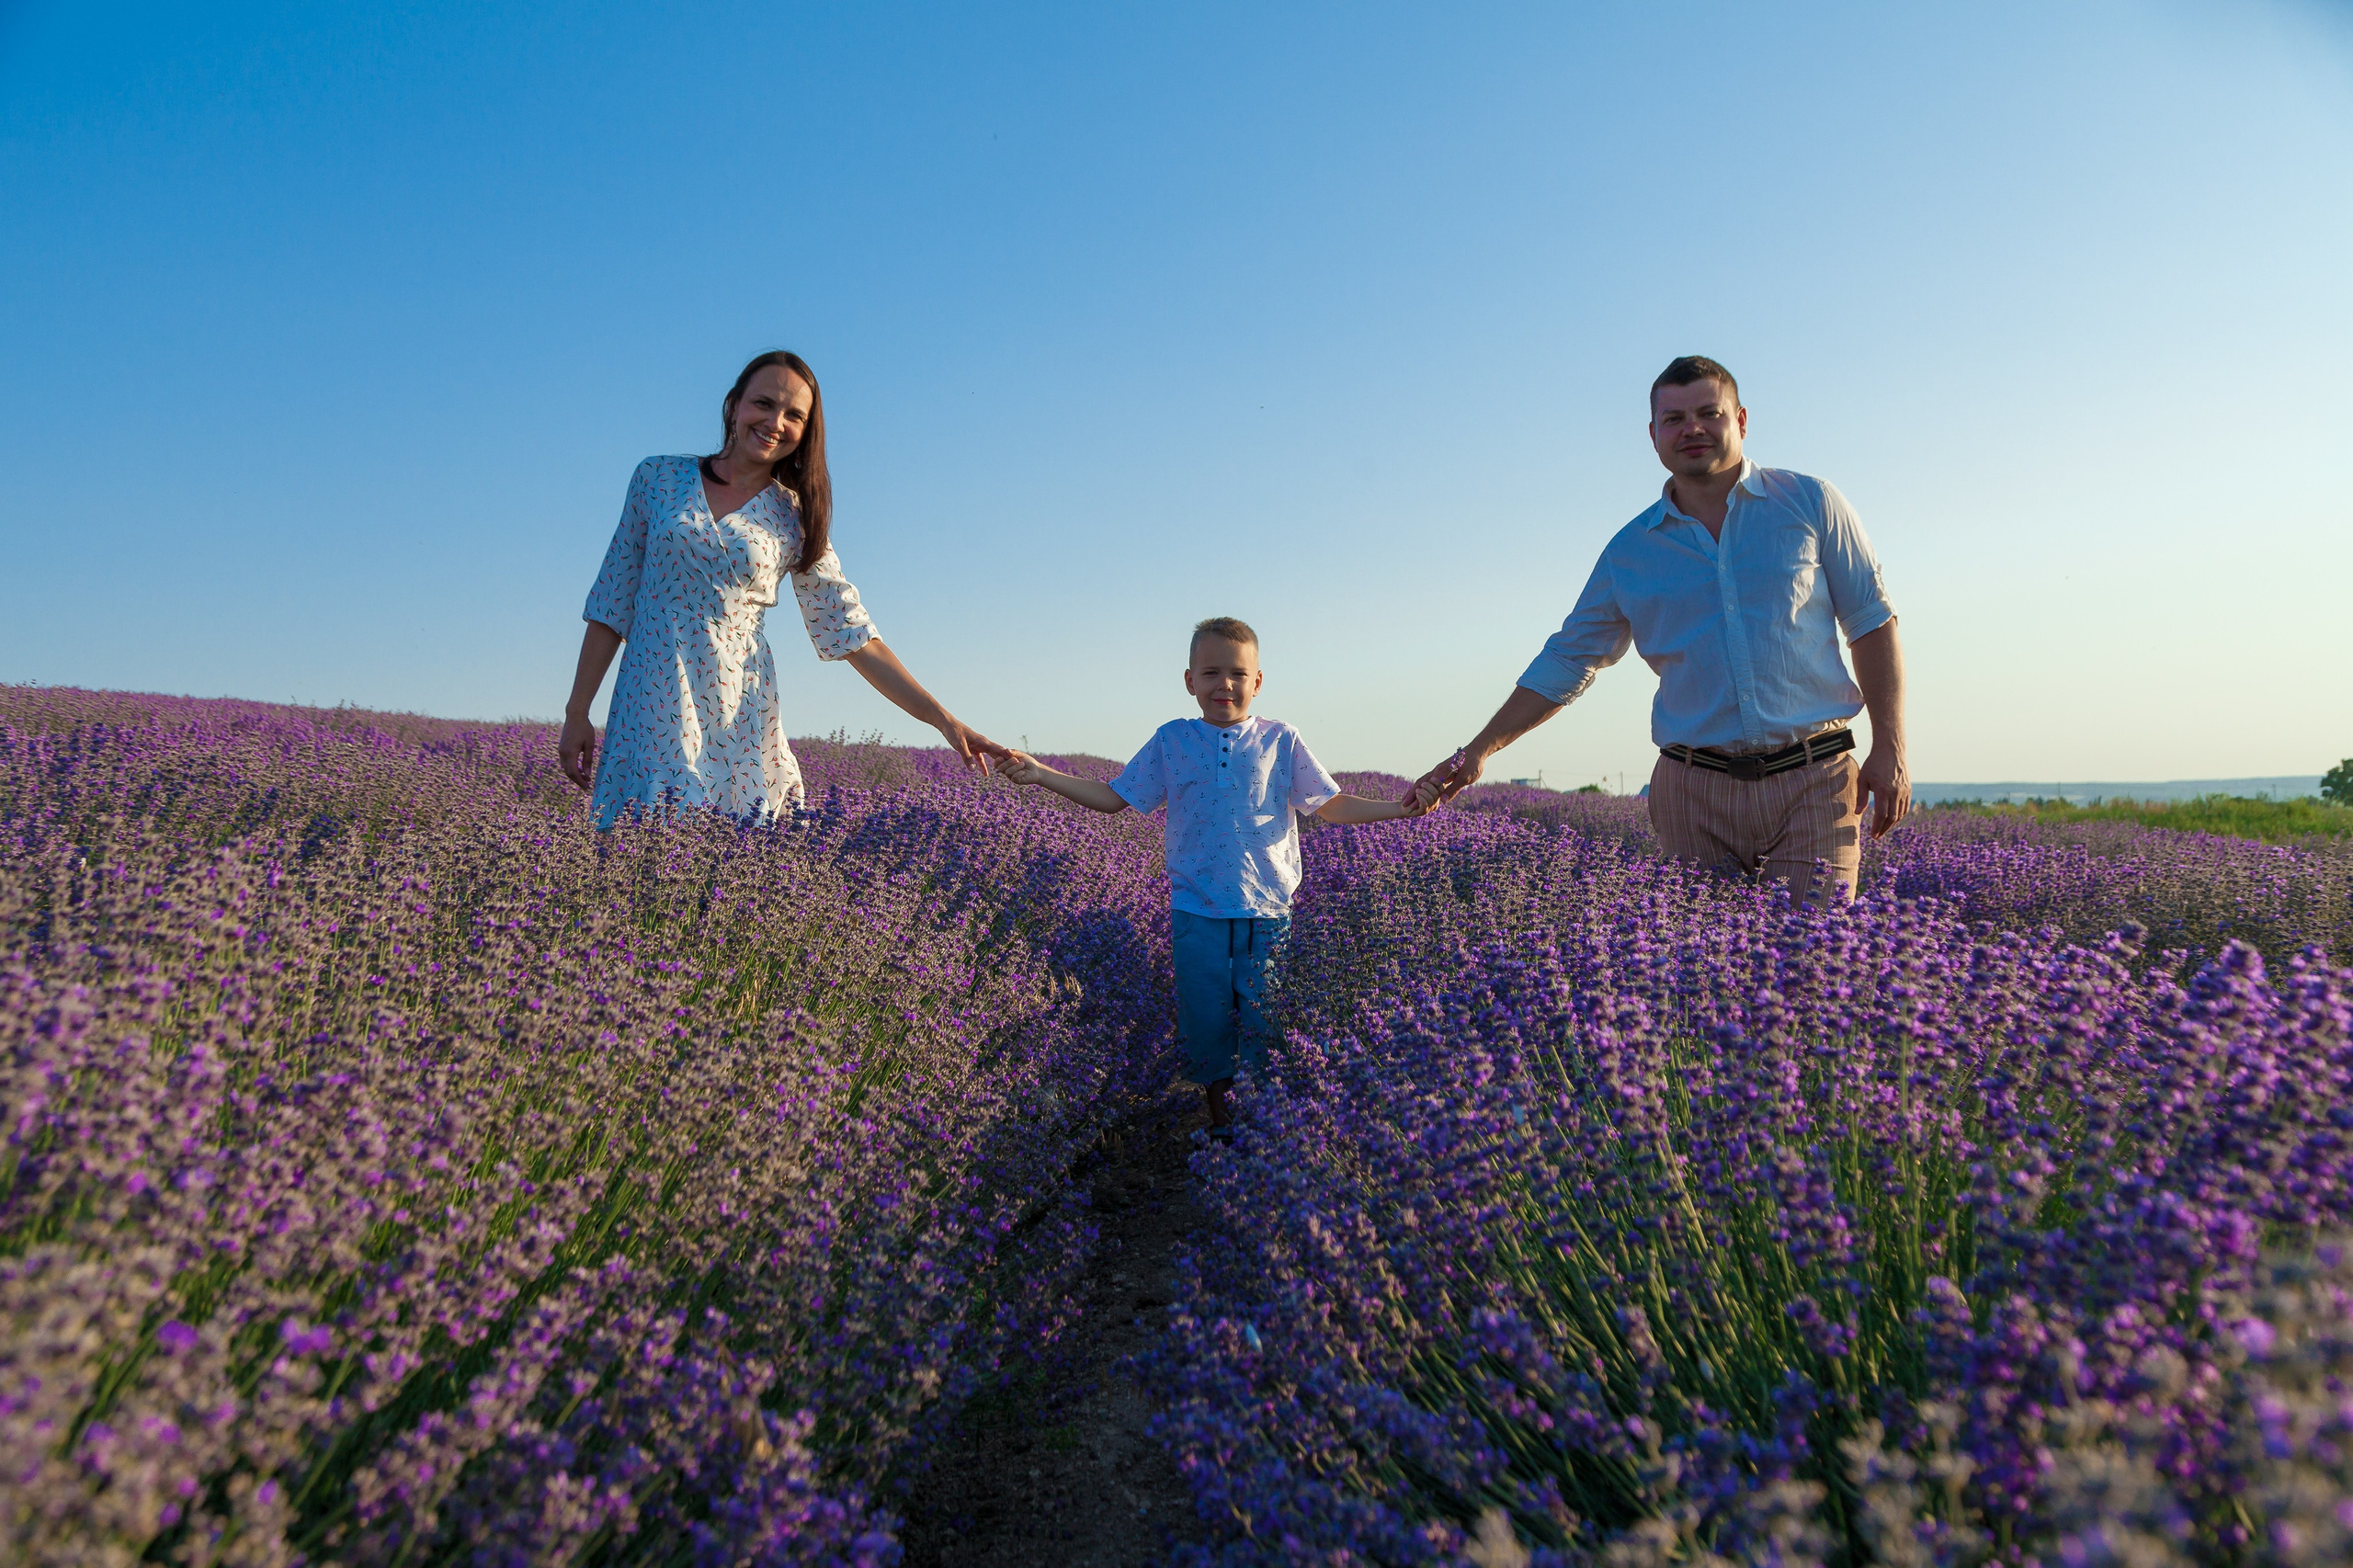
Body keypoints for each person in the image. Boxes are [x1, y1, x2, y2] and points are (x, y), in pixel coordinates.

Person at [1416, 357, 1908, 903]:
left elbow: (1871, 622)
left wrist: (1891, 746)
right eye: (1673, 419)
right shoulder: (1631, 550)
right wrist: (1479, 750)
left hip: (1813, 778)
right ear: (1653, 435)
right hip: (1691, 791)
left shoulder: (1811, 503)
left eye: (1708, 413)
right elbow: (1570, 659)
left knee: (1810, 962)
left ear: (1741, 420)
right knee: (1697, 974)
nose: (1691, 428)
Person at [1001, 618, 1436, 1131]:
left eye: (1236, 673)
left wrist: (1398, 810)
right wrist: (1042, 775)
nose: (1223, 685)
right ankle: (1223, 1119)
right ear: (1190, 681)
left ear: (1257, 682)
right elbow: (1114, 799)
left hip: (1267, 909)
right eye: (1210, 673)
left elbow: (1330, 804)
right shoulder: (1172, 740)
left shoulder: (1282, 740)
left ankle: (1262, 1120)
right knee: (1206, 1020)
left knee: (1264, 1016)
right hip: (1196, 909)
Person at [558, 350, 1006, 825]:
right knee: (636, 856)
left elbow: (853, 635)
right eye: (763, 403)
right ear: (733, 405)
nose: (775, 422)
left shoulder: (796, 517)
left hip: (737, 712)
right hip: (649, 699)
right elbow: (613, 602)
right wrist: (577, 711)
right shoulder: (657, 478)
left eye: (794, 415)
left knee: (731, 870)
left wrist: (943, 719)